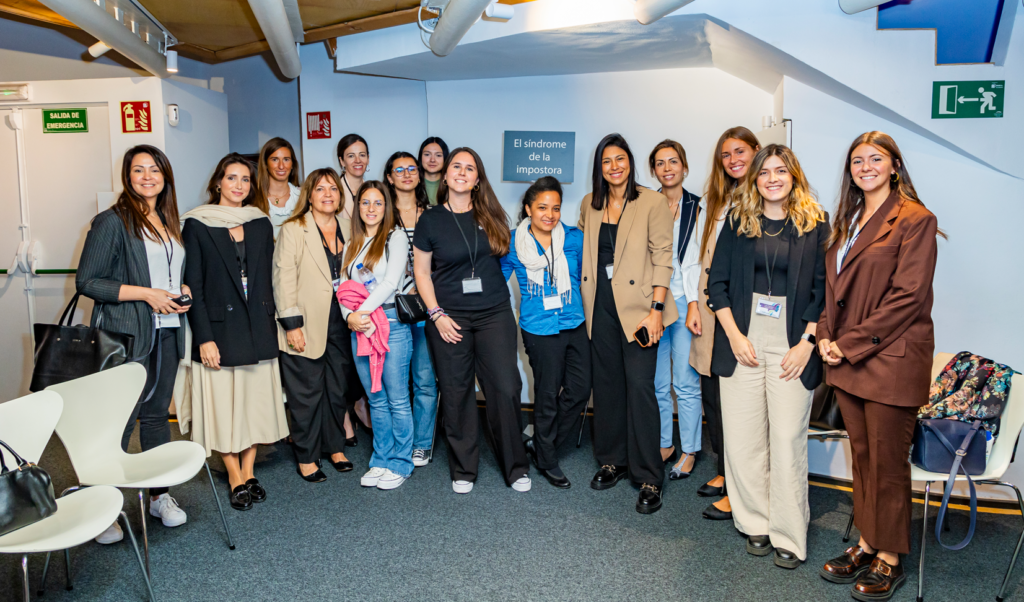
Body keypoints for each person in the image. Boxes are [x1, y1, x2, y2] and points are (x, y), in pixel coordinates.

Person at [817, 132, 939, 601]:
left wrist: (845, 344)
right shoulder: (847, 220)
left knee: (888, 465)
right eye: (856, 161)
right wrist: (826, 336)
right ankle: (868, 543)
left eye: (875, 159)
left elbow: (906, 298)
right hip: (849, 359)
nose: (865, 167)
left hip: (888, 361)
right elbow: (833, 289)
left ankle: (891, 557)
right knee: (863, 460)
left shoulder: (916, 220)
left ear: (894, 165)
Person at [707, 144, 829, 568]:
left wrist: (807, 343)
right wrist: (735, 336)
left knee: (787, 441)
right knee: (743, 442)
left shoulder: (817, 224)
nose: (772, 178)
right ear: (755, 179)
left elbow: (823, 292)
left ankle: (789, 536)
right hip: (743, 338)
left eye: (781, 170)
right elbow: (716, 285)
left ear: (793, 175)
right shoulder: (739, 222)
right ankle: (755, 522)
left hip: (793, 344)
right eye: (764, 172)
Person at [77, 145, 190, 543]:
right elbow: (88, 282)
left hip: (168, 329)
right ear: (127, 176)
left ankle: (159, 496)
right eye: (138, 170)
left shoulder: (166, 218)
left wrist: (180, 289)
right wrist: (146, 294)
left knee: (157, 415)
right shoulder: (112, 221)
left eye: (154, 170)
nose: (147, 176)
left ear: (165, 176)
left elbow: (168, 273)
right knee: (119, 422)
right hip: (127, 333)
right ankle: (100, 508)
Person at [413, 147, 531, 494]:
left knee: (506, 387)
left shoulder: (493, 214)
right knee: (456, 390)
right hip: (449, 316)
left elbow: (505, 261)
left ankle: (515, 466)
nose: (462, 172)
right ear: (445, 175)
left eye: (470, 168)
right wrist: (436, 315)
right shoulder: (430, 220)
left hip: (494, 312)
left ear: (478, 179)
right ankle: (464, 468)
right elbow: (421, 272)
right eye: (456, 167)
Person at [179, 153, 289, 512]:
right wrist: (204, 337)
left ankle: (248, 470)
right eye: (232, 178)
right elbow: (192, 284)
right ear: (218, 183)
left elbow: (270, 282)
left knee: (254, 405)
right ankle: (233, 475)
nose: (239, 185)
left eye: (245, 179)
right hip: (219, 332)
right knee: (224, 407)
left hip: (257, 326)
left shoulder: (260, 223)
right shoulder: (198, 223)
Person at [578, 133, 678, 514]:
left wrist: (656, 309)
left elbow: (663, 257)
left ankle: (650, 475)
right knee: (606, 387)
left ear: (631, 162)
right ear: (599, 167)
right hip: (600, 306)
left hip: (639, 310)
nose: (614, 167)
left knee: (639, 387)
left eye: (620, 159)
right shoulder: (591, 203)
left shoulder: (651, 201)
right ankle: (612, 460)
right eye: (606, 161)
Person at [682, 126, 761, 521]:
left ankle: (739, 487)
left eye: (740, 151)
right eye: (726, 155)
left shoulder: (766, 196)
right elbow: (695, 257)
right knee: (712, 392)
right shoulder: (714, 200)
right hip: (710, 308)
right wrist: (694, 303)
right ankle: (723, 470)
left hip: (741, 310)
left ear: (757, 152)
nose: (733, 160)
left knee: (739, 401)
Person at [501, 176, 590, 489]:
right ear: (528, 208)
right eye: (542, 207)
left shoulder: (575, 238)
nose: (550, 214)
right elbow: (497, 281)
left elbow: (583, 279)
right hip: (538, 327)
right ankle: (547, 458)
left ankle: (541, 442)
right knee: (548, 395)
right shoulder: (513, 242)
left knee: (580, 390)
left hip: (573, 322)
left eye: (555, 208)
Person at [273, 168, 356, 484]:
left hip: (343, 322)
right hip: (304, 322)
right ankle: (307, 456)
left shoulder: (349, 227)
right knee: (305, 393)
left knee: (336, 390)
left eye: (333, 189)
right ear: (309, 194)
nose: (328, 194)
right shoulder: (294, 229)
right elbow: (283, 278)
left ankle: (334, 447)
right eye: (321, 189)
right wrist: (291, 324)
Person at [341, 181, 414, 490]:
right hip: (360, 327)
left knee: (397, 399)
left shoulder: (395, 237)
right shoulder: (353, 242)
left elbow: (390, 282)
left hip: (391, 322)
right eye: (365, 203)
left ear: (387, 207)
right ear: (358, 208)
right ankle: (381, 459)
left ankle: (401, 462)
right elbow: (343, 289)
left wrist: (361, 314)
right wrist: (350, 317)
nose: (371, 209)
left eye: (378, 203)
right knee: (375, 398)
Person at [648, 140, 702, 479]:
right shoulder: (644, 204)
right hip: (653, 304)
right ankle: (664, 442)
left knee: (685, 382)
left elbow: (699, 260)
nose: (667, 168)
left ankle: (690, 450)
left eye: (673, 162)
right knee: (656, 382)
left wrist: (695, 303)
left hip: (685, 303)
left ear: (684, 167)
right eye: (660, 163)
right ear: (653, 170)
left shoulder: (701, 206)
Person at [384, 151, 438, 466]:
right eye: (399, 170)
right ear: (389, 177)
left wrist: (425, 282)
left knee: (424, 378)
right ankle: (396, 440)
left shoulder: (433, 215)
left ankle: (421, 443)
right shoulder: (380, 213)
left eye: (412, 169)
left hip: (422, 307)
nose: (407, 174)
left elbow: (443, 260)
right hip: (389, 309)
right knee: (393, 380)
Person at [256, 137, 301, 238]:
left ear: (292, 164)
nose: (281, 166)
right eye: (275, 159)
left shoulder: (302, 197)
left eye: (286, 159)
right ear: (266, 164)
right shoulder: (253, 199)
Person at [338, 133, 369, 220]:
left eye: (362, 155)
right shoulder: (334, 191)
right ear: (342, 161)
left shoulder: (373, 191)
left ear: (368, 159)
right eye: (351, 156)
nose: (358, 160)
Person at [419, 137, 449, 206]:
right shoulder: (412, 183)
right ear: (421, 157)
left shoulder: (452, 184)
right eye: (427, 154)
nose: (432, 160)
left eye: (438, 155)